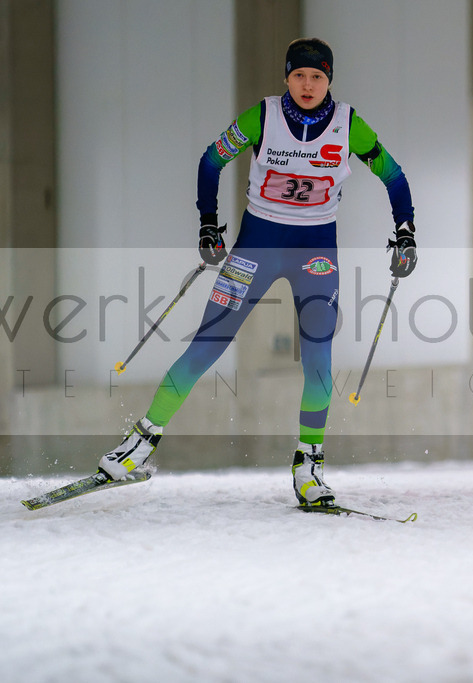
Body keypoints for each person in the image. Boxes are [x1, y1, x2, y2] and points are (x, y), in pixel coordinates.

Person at [96, 38, 417, 509]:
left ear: (329, 81)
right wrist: (208, 224)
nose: (308, 85)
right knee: (207, 343)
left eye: (318, 77)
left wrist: (405, 233)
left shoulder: (349, 125)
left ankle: (309, 466)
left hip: (316, 254)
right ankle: (140, 444)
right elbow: (212, 160)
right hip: (257, 248)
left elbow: (394, 176)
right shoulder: (262, 117)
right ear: (287, 77)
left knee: (319, 361)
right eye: (299, 76)